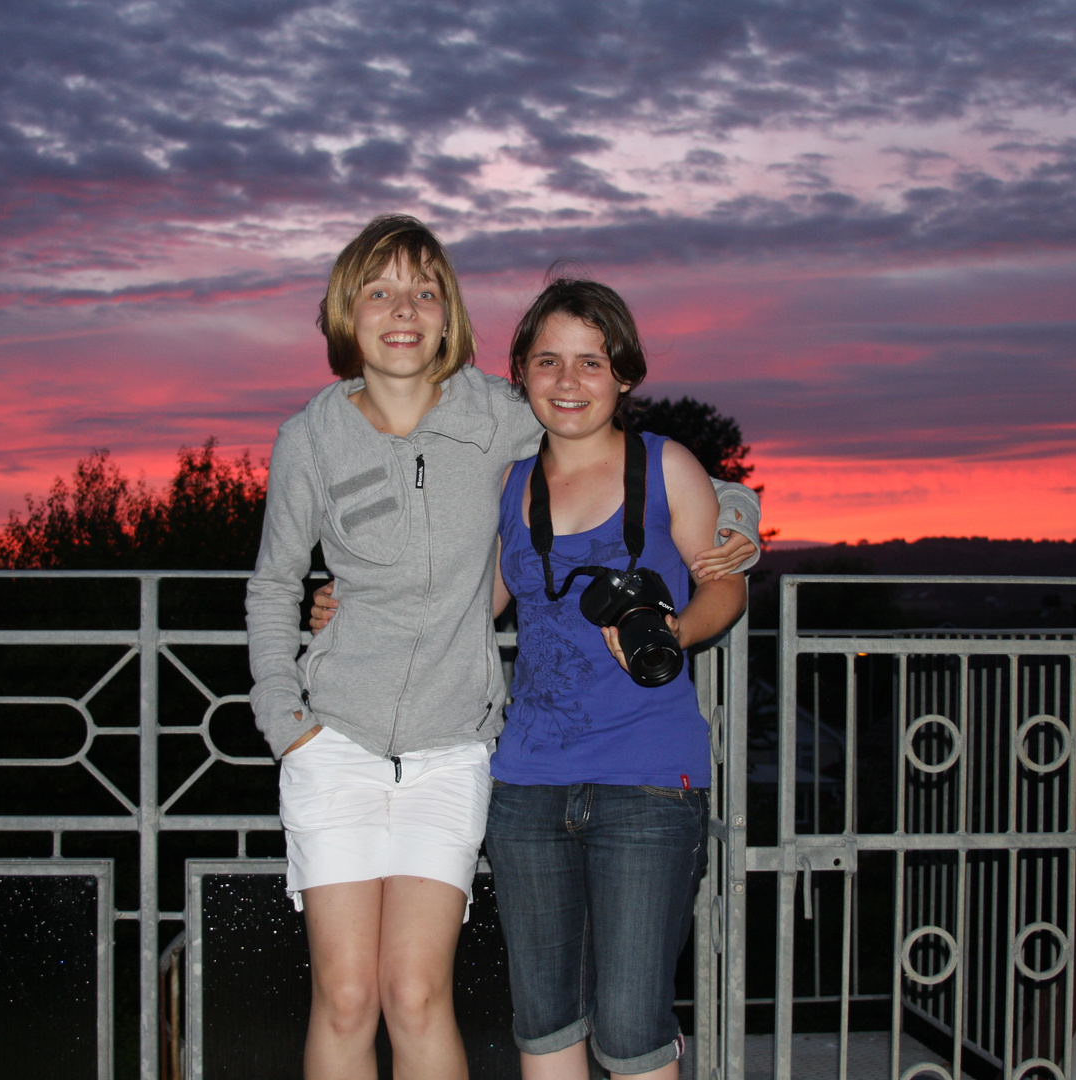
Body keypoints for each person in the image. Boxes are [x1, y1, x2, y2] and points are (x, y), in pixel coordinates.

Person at [246, 216, 758, 1080]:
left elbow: (648, 462)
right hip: (344, 741)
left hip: (457, 748)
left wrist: (737, 522)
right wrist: (284, 715)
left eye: (424, 290)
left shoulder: (497, 416)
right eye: (379, 291)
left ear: (450, 317)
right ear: (347, 311)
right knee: (349, 997)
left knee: (419, 994)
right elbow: (273, 581)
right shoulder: (312, 437)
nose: (402, 310)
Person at [484, 278, 747, 1079]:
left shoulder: (666, 467)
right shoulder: (509, 486)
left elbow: (723, 584)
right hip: (527, 784)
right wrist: (340, 603)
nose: (568, 382)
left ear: (624, 374)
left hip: (647, 779)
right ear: (522, 373)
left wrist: (675, 631)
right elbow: (467, 606)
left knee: (632, 1027)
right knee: (546, 1021)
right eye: (548, 361)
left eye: (591, 362)